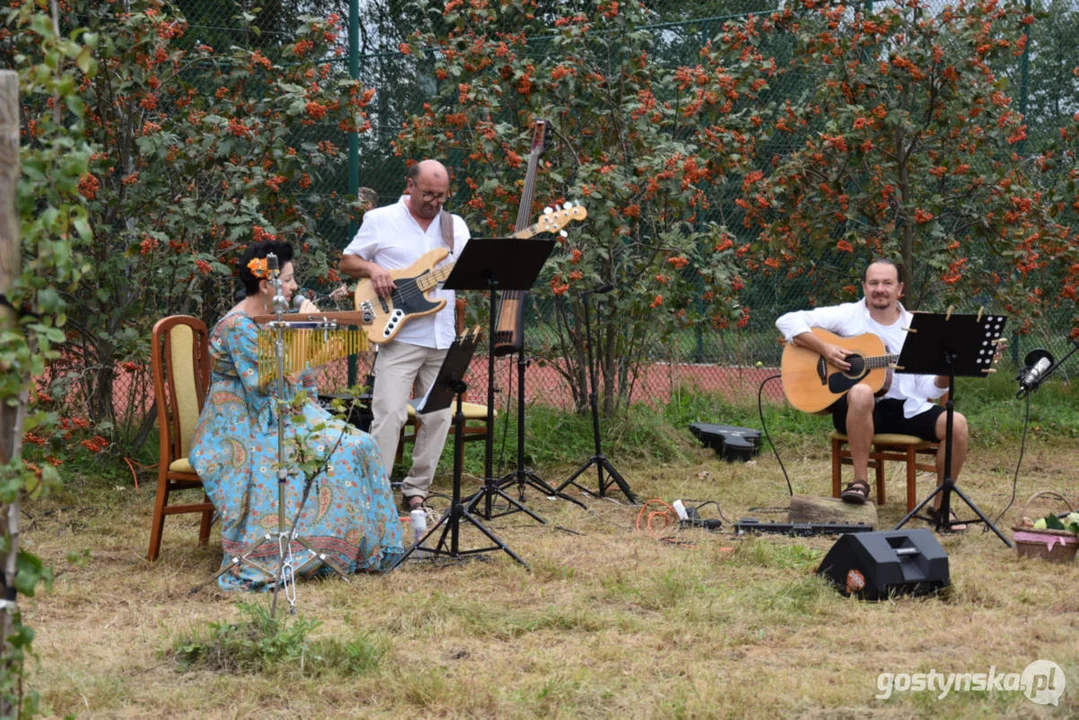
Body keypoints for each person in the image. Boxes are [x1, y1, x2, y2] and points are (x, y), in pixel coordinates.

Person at [190, 240, 404, 590]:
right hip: (239, 427)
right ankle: (295, 551)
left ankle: (358, 550)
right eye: (288, 280)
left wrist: (308, 331)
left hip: (282, 415)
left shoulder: (276, 320)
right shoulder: (237, 326)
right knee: (331, 450)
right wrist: (305, 329)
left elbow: (297, 385)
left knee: (360, 443)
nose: (293, 287)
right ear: (266, 284)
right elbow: (266, 387)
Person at [775, 259, 968, 531]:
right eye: (874, 283)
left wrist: (947, 371)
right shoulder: (848, 315)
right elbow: (786, 320)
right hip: (856, 408)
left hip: (904, 409)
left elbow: (928, 389)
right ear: (864, 287)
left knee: (956, 423)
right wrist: (826, 349)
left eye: (887, 283)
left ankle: (941, 507)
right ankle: (860, 483)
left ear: (899, 289)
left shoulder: (917, 327)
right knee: (863, 390)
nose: (880, 289)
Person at [339, 160, 470, 511]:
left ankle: (417, 490)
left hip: (442, 336)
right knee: (390, 413)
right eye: (427, 193)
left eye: (441, 196)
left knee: (439, 415)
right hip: (399, 335)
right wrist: (374, 268)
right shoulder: (381, 219)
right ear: (409, 185)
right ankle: (377, 496)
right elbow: (347, 261)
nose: (434, 202)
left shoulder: (454, 225)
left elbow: (467, 269)